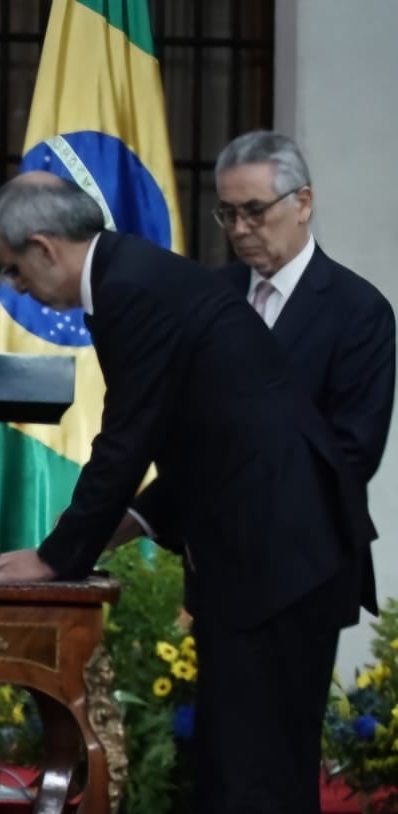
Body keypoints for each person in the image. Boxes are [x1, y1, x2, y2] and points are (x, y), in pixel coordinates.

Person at [0, 172, 377, 814]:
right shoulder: (134, 274)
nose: (17, 288)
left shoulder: (129, 287)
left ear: (46, 248)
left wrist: (55, 560)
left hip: (279, 555)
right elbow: (202, 433)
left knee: (255, 775)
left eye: (14, 269)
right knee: (238, 767)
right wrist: (121, 525)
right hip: (268, 554)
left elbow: (127, 437)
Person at [140, 130, 393, 611]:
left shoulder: (358, 310)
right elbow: (179, 429)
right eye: (228, 213)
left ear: (303, 203)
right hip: (213, 568)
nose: (238, 228)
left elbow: (351, 452)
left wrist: (229, 520)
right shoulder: (205, 296)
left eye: (254, 211)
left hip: (306, 570)